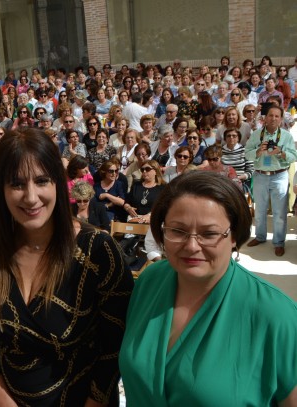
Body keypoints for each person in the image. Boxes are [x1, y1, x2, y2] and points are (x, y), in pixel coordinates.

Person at [0, 128, 131, 406]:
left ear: (58, 183)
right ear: (0, 190)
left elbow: (114, 350)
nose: (31, 197)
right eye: (17, 184)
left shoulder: (98, 251)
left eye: (41, 181)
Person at [119, 171, 297, 406]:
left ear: (234, 235)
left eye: (209, 233)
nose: (191, 246)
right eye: (178, 231)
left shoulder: (276, 315)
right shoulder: (150, 280)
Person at [244, 105, 297, 257]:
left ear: (281, 119)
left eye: (277, 116)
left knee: (279, 212)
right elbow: (247, 154)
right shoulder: (256, 135)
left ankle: (279, 242)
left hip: (279, 175)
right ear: (265, 118)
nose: (273, 118)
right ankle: (260, 237)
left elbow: (294, 156)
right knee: (260, 210)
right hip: (260, 175)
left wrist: (281, 152)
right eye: (270, 115)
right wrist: (258, 151)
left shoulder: (286, 136)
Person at [123, 159, 165, 223]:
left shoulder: (162, 187)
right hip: (135, 219)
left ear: (156, 171)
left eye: (147, 169)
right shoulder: (136, 185)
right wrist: (128, 208)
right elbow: (127, 202)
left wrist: (149, 215)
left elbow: (164, 206)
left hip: (154, 220)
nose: (144, 171)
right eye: (142, 170)